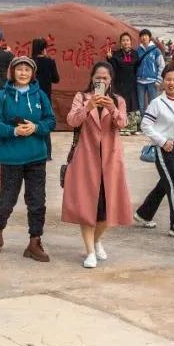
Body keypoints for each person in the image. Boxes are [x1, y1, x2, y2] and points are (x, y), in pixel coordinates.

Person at [0, 56, 56, 262]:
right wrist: (13, 131)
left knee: (37, 201)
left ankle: (34, 242)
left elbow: (50, 121)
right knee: (6, 200)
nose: (23, 73)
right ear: (12, 72)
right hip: (10, 158)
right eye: (19, 69)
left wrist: (36, 127)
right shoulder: (2, 96)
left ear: (32, 73)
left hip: (36, 157)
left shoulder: (40, 95)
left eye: (27, 70)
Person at [61, 62, 133, 268]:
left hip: (110, 161)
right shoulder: (81, 97)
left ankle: (97, 240)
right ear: (92, 78)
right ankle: (90, 252)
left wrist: (111, 108)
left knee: (108, 208)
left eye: (105, 78)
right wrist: (89, 106)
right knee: (87, 207)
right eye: (98, 77)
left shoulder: (118, 100)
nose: (101, 81)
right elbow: (72, 121)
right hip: (86, 159)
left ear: (111, 81)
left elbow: (122, 124)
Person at [135, 66, 174, 238]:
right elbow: (146, 125)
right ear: (162, 81)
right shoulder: (156, 103)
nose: (172, 83)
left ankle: (143, 214)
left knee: (164, 184)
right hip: (163, 149)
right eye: (168, 79)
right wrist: (161, 141)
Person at [106, 32, 141, 135]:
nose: (126, 42)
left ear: (130, 42)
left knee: (133, 103)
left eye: (127, 40)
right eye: (123, 40)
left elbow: (135, 65)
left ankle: (133, 128)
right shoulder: (116, 54)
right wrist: (109, 58)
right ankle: (122, 126)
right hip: (120, 82)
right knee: (122, 103)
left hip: (132, 82)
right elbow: (114, 68)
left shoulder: (135, 53)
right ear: (121, 43)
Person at [135, 29, 165, 113]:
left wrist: (159, 80)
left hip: (152, 82)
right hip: (140, 81)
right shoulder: (138, 51)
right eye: (142, 36)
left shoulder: (156, 50)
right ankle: (142, 124)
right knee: (141, 105)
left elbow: (162, 65)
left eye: (146, 35)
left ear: (149, 37)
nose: (144, 37)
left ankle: (153, 123)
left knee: (153, 104)